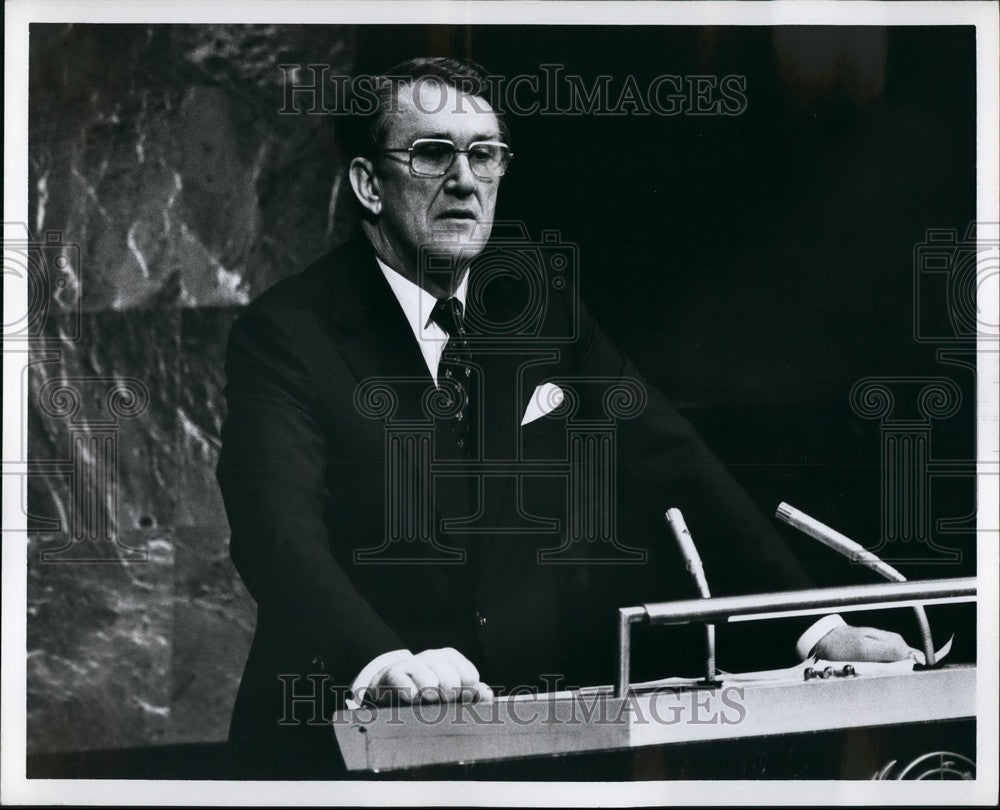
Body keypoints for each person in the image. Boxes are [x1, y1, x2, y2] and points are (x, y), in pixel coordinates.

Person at [216, 56, 921, 778]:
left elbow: (669, 462)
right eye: (432, 153)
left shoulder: (538, 308)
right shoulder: (288, 334)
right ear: (369, 183)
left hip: (525, 736)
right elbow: (278, 532)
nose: (465, 180)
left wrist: (814, 626)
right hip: (338, 742)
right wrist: (384, 660)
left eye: (485, 155)